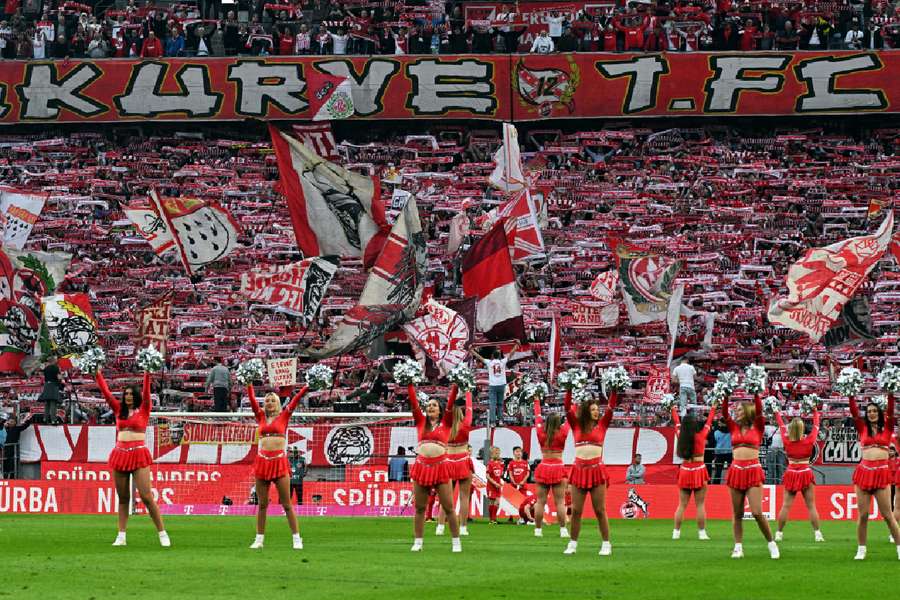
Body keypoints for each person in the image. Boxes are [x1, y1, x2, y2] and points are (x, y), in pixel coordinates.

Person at [95, 368, 170, 547]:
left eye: (130, 393)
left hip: (138, 454)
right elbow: (106, 393)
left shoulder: (144, 409)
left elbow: (146, 391)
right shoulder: (118, 409)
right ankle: (121, 536)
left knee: (146, 496)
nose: (128, 396)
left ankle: (162, 533)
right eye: (126, 393)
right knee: (123, 497)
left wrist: (147, 372)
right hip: (120, 454)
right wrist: (96, 374)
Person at [246, 385, 309, 549]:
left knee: (287, 504)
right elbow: (252, 400)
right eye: (267, 400)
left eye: (273, 399)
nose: (270, 402)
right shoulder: (260, 416)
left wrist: (305, 388)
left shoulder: (284, 415)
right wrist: (249, 383)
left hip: (279, 461)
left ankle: (296, 538)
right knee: (262, 504)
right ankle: (259, 539)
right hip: (262, 461)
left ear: (278, 403)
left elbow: (295, 401)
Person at [722, 392, 779, 559]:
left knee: (756, 512)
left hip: (753, 470)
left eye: (739, 410)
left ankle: (771, 543)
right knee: (737, 513)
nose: (736, 412)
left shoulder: (758, 426)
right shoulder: (733, 427)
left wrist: (755, 394)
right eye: (736, 410)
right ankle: (738, 547)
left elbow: (760, 411)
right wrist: (726, 396)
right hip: (736, 470)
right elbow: (724, 413)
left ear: (747, 411)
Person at [406, 383, 461, 552]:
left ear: (440, 410)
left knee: (448, 507)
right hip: (422, 467)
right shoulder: (421, 421)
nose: (430, 407)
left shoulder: (446, 423)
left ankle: (456, 542)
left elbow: (451, 404)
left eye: (434, 405)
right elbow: (414, 403)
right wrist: (409, 384)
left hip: (441, 467)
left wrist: (455, 388)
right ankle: (418, 542)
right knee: (420, 508)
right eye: (428, 405)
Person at [563, 387, 617, 556]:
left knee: (600, 510)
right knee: (576, 510)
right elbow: (566, 408)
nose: (596, 412)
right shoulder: (576, 425)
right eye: (593, 409)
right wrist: (569, 389)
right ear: (586, 411)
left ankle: (606, 543)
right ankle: (572, 543)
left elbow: (610, 408)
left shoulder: (602, 425)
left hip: (596, 471)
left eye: (597, 410)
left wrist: (614, 389)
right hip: (579, 471)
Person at [846, 393, 900, 560]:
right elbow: (854, 413)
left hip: (881, 473)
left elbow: (891, 413)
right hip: (864, 472)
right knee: (863, 515)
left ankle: (899, 548)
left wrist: (891, 394)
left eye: (874, 411)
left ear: (879, 413)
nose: (871, 414)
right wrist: (850, 396)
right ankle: (861, 549)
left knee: (887, 515)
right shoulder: (862, 428)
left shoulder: (888, 428)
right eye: (869, 411)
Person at [773, 405, 824, 542]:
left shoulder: (786, 440)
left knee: (786, 505)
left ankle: (779, 533)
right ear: (801, 428)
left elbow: (781, 425)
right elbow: (816, 426)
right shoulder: (809, 440)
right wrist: (814, 411)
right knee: (811, 505)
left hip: (791, 473)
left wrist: (776, 412)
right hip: (805, 472)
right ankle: (817, 533)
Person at [672, 404, 717, 540]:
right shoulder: (701, 435)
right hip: (699, 470)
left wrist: (673, 409)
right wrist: (713, 408)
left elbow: (677, 423)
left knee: (682, 505)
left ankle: (676, 532)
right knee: (700, 504)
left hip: (685, 469)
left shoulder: (680, 435)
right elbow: (709, 423)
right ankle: (702, 533)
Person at [436, 388, 473, 536]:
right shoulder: (466, 424)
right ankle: (463, 527)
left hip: (448, 461)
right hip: (463, 460)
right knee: (464, 497)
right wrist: (468, 393)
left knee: (446, 497)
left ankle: (440, 526)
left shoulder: (444, 427)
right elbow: (470, 409)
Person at [533, 395, 570, 538]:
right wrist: (574, 403)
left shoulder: (540, 432)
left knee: (540, 501)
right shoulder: (563, 432)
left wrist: (537, 401)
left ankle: (537, 530)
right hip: (558, 467)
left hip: (544, 466)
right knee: (560, 501)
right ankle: (563, 530)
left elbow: (537, 417)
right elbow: (570, 419)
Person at [471, 343, 519, 425]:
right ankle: (500, 421)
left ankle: (492, 422)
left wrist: (471, 350)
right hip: (502, 385)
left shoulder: (489, 362)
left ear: (492, 356)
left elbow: (479, 357)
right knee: (500, 403)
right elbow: (511, 353)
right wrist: (516, 345)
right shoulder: (503, 362)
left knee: (492, 404)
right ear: (499, 356)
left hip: (493, 385)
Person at [38, 356, 62, 425]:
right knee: (53, 402)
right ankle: (53, 420)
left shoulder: (46, 368)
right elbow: (59, 377)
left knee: (47, 403)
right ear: (53, 361)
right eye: (55, 360)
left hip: (46, 385)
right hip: (53, 385)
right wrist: (61, 380)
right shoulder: (55, 367)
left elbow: (41, 374)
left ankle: (45, 419)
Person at [486, 446, 504, 525]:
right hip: (491, 486)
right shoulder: (490, 463)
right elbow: (487, 476)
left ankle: (494, 519)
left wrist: (500, 481)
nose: (497, 454)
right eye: (496, 453)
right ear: (491, 454)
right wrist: (494, 483)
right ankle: (491, 519)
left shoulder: (500, 463)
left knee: (497, 502)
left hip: (498, 485)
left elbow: (500, 474)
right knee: (492, 502)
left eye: (498, 453)